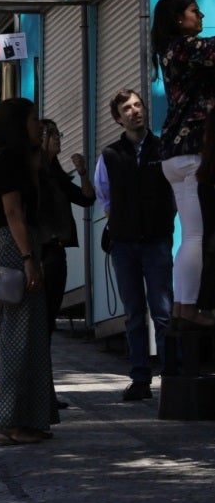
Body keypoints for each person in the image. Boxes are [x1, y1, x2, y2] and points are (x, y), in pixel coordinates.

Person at [93, 90, 176, 401]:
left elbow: (174, 190)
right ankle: (140, 378)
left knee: (163, 312)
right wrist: (121, 225)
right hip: (124, 245)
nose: (134, 112)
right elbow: (105, 198)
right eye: (126, 108)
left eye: (138, 105)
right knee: (133, 313)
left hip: (156, 241)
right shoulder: (111, 155)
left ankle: (171, 375)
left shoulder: (163, 148)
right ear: (118, 117)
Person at [0, 97, 52, 446]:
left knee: (32, 338)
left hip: (22, 248)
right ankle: (9, 421)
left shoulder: (20, 159)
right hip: (15, 249)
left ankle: (30, 417)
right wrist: (28, 258)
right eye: (34, 119)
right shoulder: (8, 160)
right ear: (18, 124)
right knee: (17, 338)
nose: (39, 124)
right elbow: (13, 213)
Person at [151, 0, 215, 327]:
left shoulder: (172, 50)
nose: (201, 16)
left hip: (174, 153)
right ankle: (188, 306)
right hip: (191, 150)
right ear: (178, 19)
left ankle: (180, 305)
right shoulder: (185, 47)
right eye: (195, 11)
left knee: (191, 233)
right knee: (195, 235)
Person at [36, 118, 95, 409]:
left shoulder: (57, 175)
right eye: (53, 134)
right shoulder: (35, 175)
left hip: (57, 253)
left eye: (59, 133)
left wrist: (83, 173)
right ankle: (41, 392)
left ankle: (45, 390)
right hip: (44, 254)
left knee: (47, 326)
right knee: (42, 325)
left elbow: (87, 199)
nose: (59, 139)